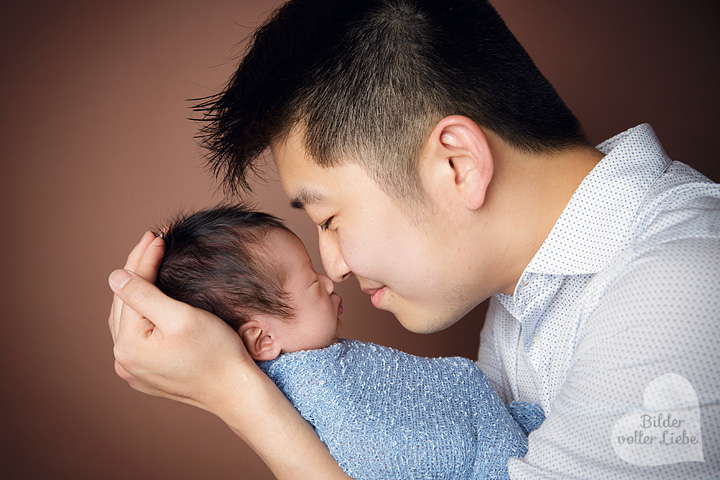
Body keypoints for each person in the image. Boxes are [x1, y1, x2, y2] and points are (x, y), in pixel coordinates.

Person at [108, 0, 720, 478]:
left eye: (329, 220)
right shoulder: (524, 292)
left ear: (457, 165)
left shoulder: (676, 292)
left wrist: (237, 394)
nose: (336, 265)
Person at [153, 204, 545, 479]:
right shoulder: (317, 391)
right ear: (262, 339)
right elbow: (382, 453)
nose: (330, 278)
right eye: (311, 281)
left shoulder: (303, 370)